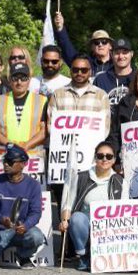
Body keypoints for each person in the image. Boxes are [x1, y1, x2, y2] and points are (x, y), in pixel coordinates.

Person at [48, 56, 111, 209]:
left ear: (90, 72)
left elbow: (104, 129)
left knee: (83, 203)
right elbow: (51, 126)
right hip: (62, 159)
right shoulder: (57, 94)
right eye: (76, 69)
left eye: (84, 70)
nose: (80, 73)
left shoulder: (101, 95)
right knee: (63, 202)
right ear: (70, 71)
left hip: (88, 159)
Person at [58, 142, 125, 271]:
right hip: (86, 221)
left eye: (109, 156)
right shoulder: (82, 177)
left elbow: (127, 210)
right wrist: (64, 220)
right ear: (95, 158)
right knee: (76, 218)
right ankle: (83, 254)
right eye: (100, 156)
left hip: (110, 225)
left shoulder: (121, 182)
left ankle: (103, 256)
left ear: (114, 160)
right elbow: (68, 202)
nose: (104, 159)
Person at [0, 63, 47, 155]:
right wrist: (11, 146)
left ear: (29, 80)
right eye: (15, 78)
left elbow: (44, 130)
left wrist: (26, 146)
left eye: (23, 78)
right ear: (9, 80)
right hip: (5, 156)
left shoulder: (41, 100)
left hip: (33, 157)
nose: (19, 82)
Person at [94, 38, 136, 107]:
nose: (121, 56)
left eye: (125, 52)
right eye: (117, 53)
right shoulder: (101, 80)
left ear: (131, 54)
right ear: (111, 54)